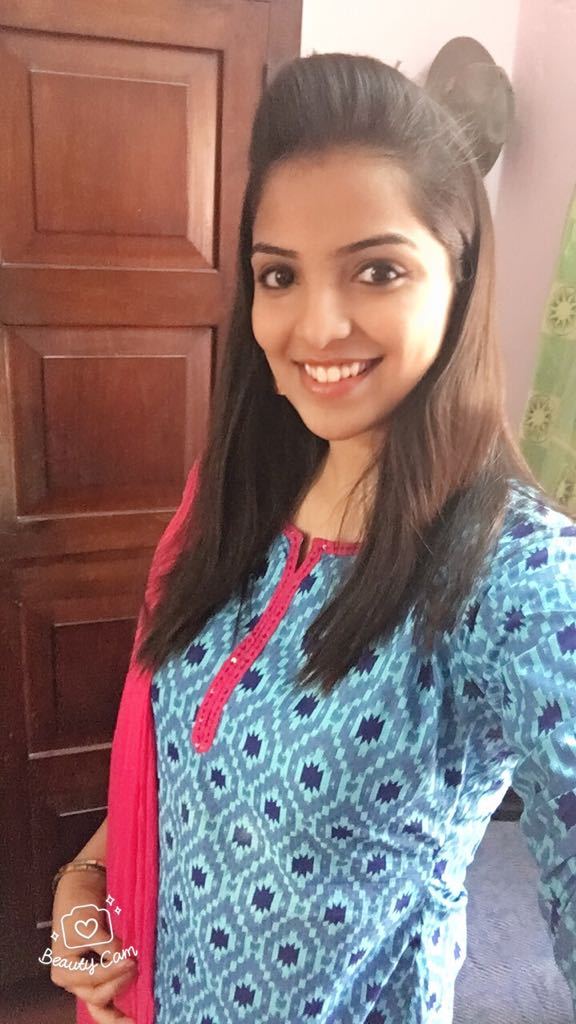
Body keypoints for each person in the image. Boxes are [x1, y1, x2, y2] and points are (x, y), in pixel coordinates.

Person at [49, 52, 576, 1024]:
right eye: (279, 275)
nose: (317, 326)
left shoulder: (516, 576)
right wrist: (81, 885)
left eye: (378, 270)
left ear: (458, 279)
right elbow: (179, 764)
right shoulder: (230, 499)